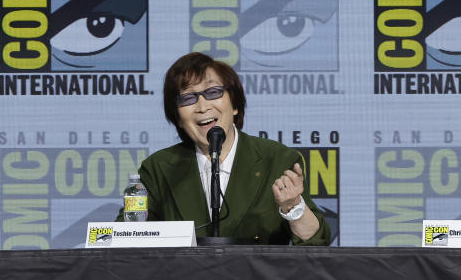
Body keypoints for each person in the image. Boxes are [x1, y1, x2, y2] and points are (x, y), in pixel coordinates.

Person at [118, 52, 330, 245]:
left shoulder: (277, 159)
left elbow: (316, 244)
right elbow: (122, 240)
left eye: (212, 92)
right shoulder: (159, 169)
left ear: (235, 105)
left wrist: (293, 206)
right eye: (188, 98)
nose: (202, 106)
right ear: (178, 119)